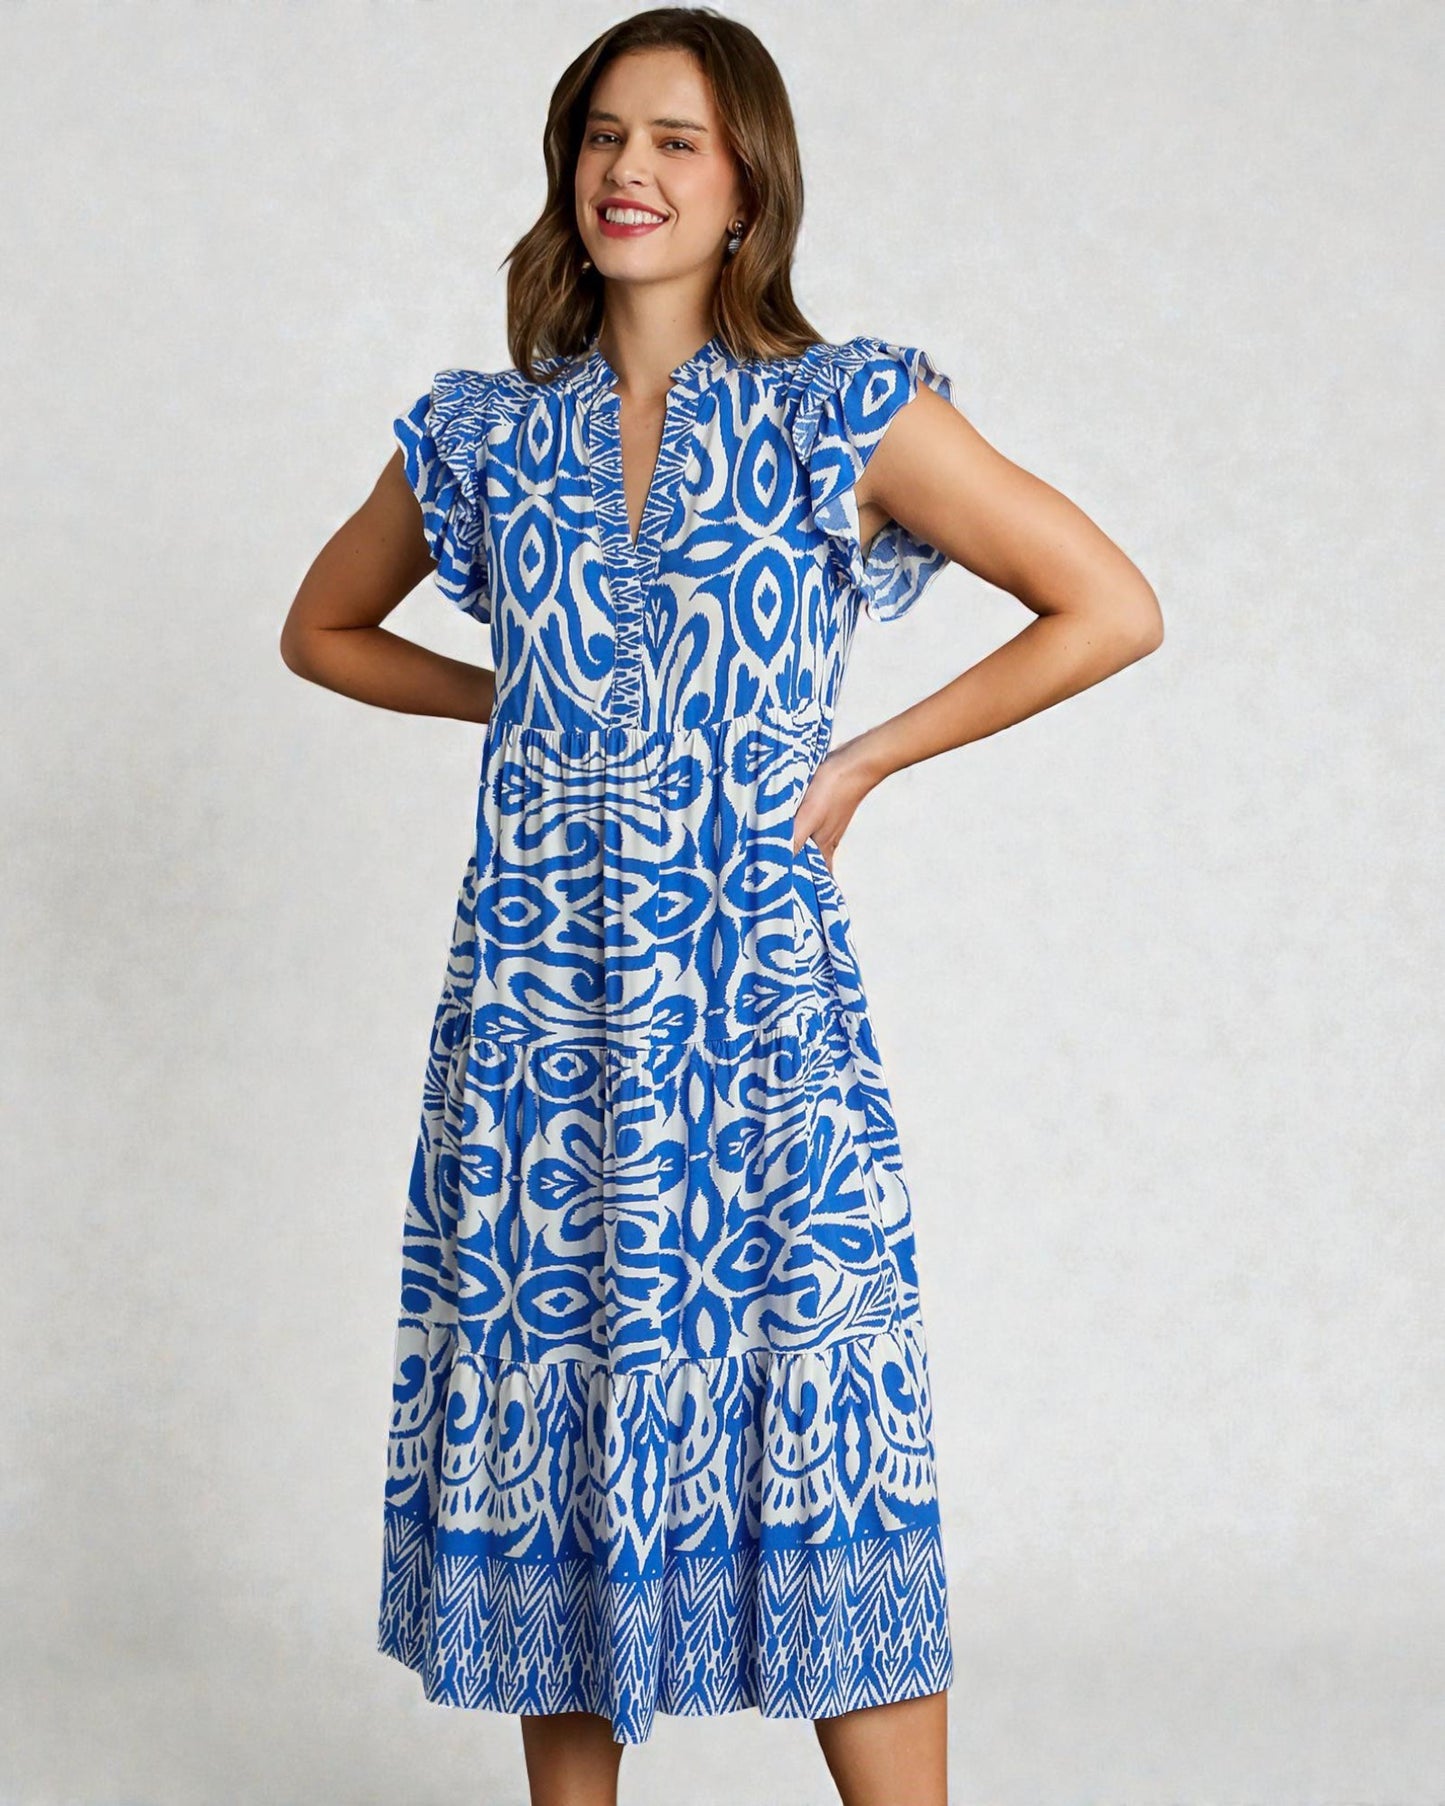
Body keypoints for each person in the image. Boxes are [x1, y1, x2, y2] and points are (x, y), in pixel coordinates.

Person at [280, 7, 1161, 1802]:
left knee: (822, 1423)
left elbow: (1107, 605)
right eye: (603, 135)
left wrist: (862, 762)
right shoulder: (480, 434)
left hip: (754, 1015)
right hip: (538, 1018)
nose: (630, 170)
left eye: (676, 140)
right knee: (563, 1421)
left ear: (749, 186)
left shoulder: (839, 411)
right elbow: (321, 629)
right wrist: (518, 699)